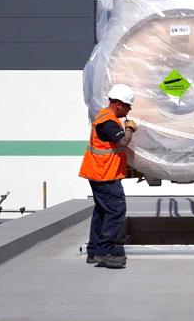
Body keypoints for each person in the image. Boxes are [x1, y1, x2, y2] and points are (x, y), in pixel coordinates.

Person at [79, 84, 137, 267]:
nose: (129, 111)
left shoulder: (104, 117)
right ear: (119, 104)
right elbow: (123, 141)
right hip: (105, 174)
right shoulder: (108, 121)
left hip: (98, 172)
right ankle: (105, 252)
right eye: (128, 106)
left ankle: (94, 250)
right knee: (116, 211)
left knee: (102, 212)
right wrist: (130, 128)